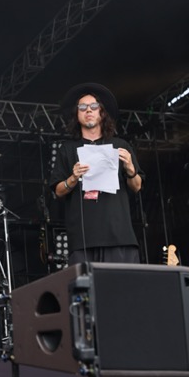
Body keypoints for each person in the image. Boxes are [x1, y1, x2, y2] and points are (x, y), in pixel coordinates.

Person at [50, 83, 143, 265]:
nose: (88, 110)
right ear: (77, 115)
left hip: (119, 235)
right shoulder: (67, 149)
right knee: (85, 284)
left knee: (123, 283)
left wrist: (131, 170)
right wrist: (73, 177)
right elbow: (58, 191)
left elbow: (137, 186)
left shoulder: (120, 145)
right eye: (82, 107)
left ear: (102, 112)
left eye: (94, 106)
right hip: (83, 238)